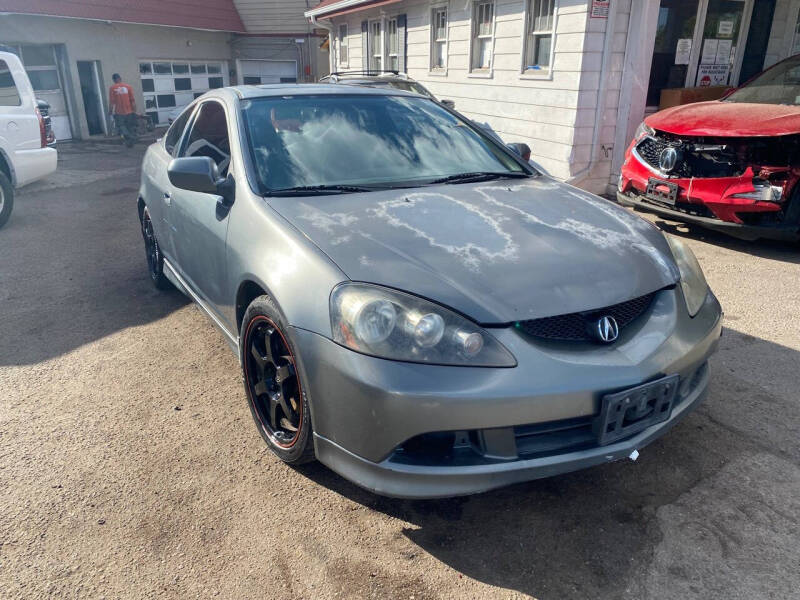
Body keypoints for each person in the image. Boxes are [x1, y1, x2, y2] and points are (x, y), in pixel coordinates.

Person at [108, 73, 137, 147]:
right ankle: (130, 143)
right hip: (129, 111)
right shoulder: (128, 87)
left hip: (119, 112)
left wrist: (110, 111)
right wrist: (134, 110)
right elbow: (132, 100)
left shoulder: (112, 88)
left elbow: (112, 102)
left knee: (121, 126)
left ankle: (130, 138)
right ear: (120, 78)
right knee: (129, 126)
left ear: (114, 80)